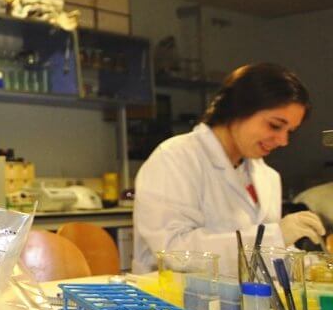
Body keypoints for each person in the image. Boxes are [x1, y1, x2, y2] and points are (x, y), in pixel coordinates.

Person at [133, 63, 325, 276]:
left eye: (290, 131)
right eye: (275, 125)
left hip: (244, 304)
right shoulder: (175, 159)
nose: (283, 140)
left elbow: (270, 256)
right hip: (171, 304)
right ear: (239, 109)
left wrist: (314, 266)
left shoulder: (266, 176)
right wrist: (275, 236)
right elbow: (173, 253)